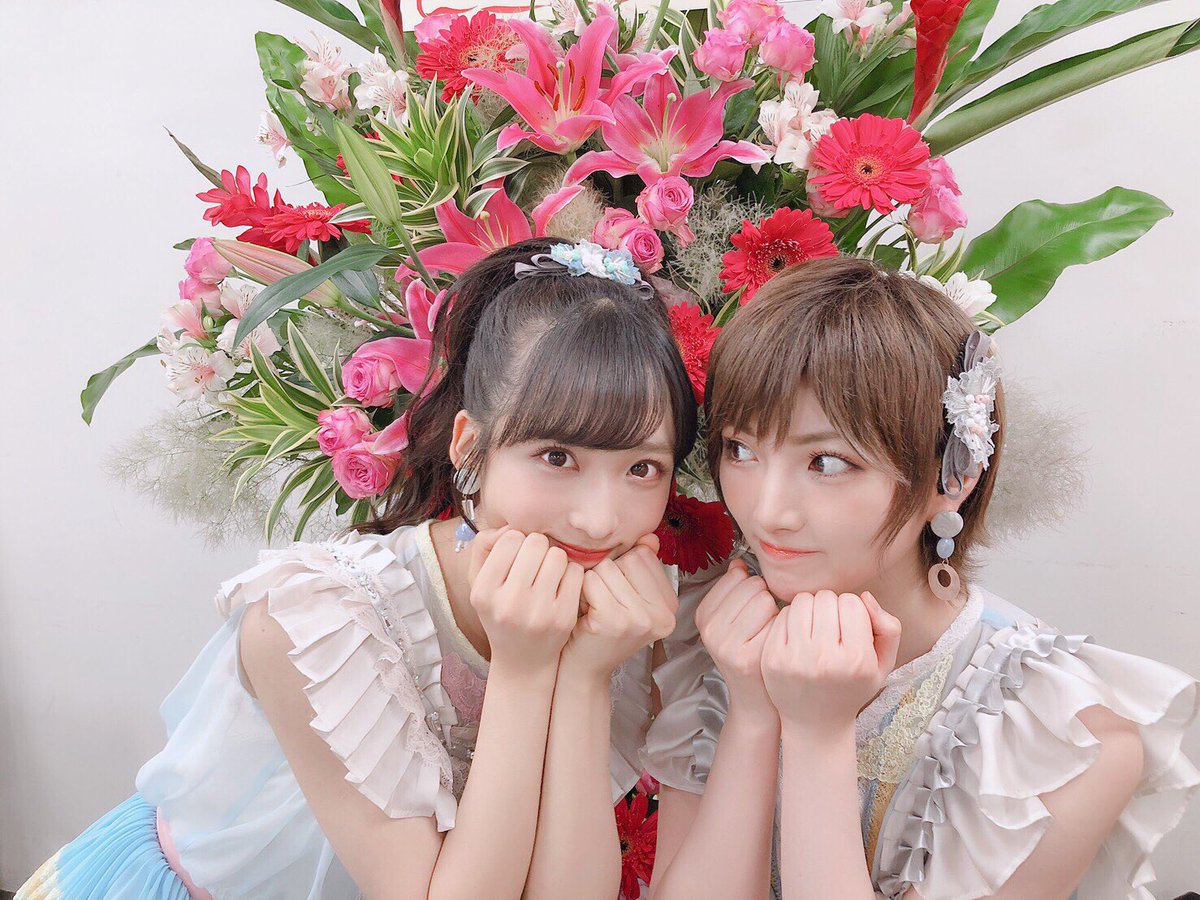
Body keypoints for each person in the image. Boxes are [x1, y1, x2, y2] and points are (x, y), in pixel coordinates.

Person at [20, 237, 697, 900]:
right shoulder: (317, 622)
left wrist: (584, 677)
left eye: (642, 468)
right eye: (557, 457)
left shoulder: (622, 621)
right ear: (469, 445)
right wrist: (523, 670)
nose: (599, 521)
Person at [644, 256, 1199, 899]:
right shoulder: (721, 641)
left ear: (953, 477)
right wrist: (751, 712)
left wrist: (819, 737)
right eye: (741, 449)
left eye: (827, 462)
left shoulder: (1059, 737)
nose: (767, 510)